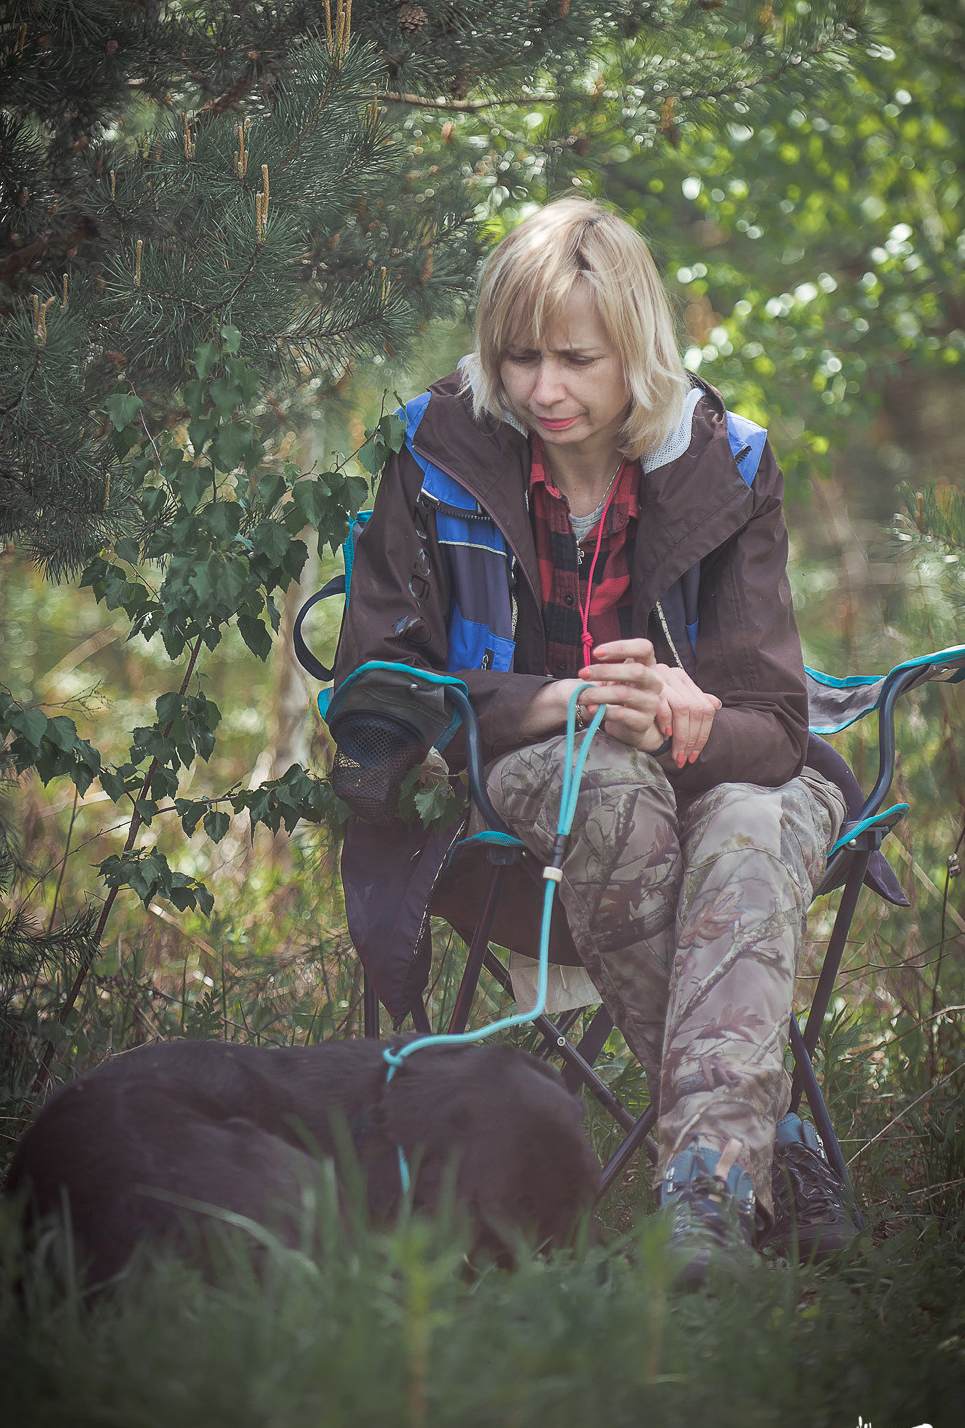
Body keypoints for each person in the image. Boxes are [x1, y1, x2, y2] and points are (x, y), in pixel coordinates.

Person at [332, 197, 854, 1282]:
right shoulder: (431, 450)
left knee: (752, 829)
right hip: (516, 781)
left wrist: (688, 714)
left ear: (637, 350)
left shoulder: (726, 463)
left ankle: (703, 1204)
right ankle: (761, 1154)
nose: (542, 390)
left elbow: (774, 726)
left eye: (576, 359)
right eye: (518, 358)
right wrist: (554, 700)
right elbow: (376, 688)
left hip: (724, 774)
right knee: (607, 783)